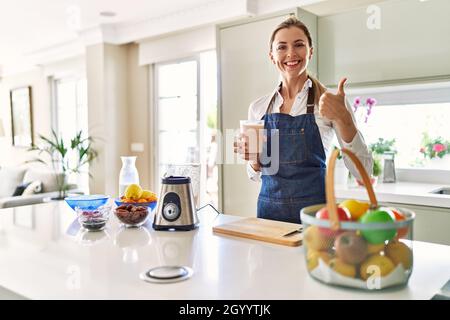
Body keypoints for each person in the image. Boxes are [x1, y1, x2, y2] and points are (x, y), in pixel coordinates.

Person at [233, 17, 373, 224]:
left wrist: (345, 119)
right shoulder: (259, 108)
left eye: (299, 45)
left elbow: (364, 174)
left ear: (310, 51)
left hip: (316, 219)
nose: (290, 53)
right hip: (269, 218)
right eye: (282, 47)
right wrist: (253, 160)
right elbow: (255, 175)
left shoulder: (330, 103)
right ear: (272, 56)